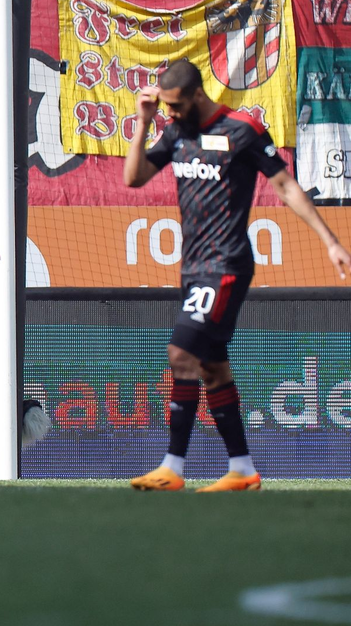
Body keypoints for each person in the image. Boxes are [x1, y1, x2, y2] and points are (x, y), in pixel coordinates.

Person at [124, 60, 351, 492]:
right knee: (212, 369)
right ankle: (243, 470)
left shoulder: (240, 129)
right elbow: (133, 178)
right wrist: (144, 122)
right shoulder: (175, 132)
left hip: (225, 265)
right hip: (193, 268)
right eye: (165, 107)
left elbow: (285, 186)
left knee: (180, 352)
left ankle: (172, 467)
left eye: (174, 105)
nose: (169, 113)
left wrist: (331, 240)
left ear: (196, 95)